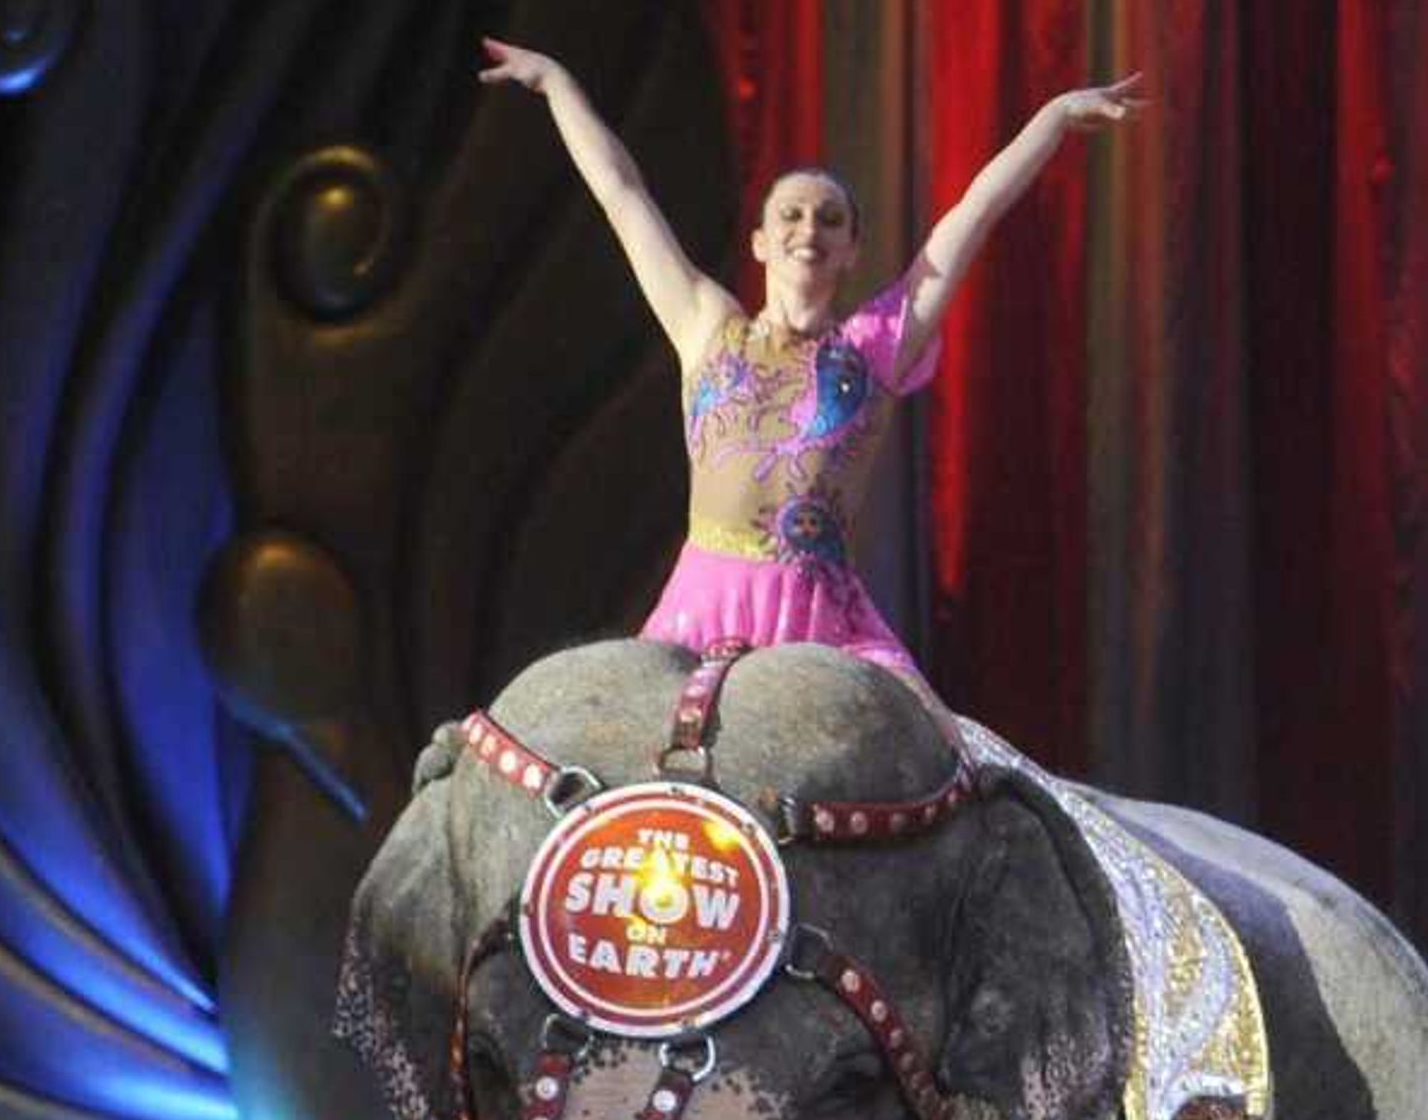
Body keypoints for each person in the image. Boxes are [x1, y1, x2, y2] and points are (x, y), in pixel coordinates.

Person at [477, 33, 1145, 676]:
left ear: (853, 249)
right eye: (791, 215)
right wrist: (558, 87)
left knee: (937, 764)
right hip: (699, 609)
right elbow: (622, 195)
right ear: (761, 241)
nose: (809, 230)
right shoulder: (707, 325)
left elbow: (970, 216)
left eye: (830, 219)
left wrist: (1052, 121)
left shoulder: (876, 343)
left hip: (823, 620)